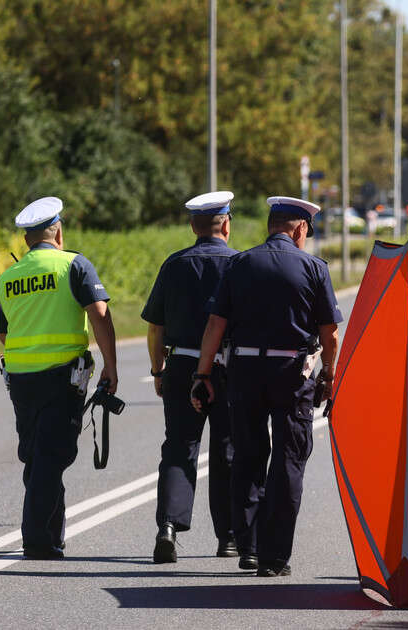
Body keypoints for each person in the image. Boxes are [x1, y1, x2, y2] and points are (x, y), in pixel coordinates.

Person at [191, 196, 342, 578]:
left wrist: (202, 375)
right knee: (289, 459)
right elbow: (330, 333)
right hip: (292, 374)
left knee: (248, 455)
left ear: (271, 226)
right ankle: (276, 557)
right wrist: (329, 373)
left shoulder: (239, 263)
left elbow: (215, 326)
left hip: (243, 370)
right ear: (300, 229)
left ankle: (250, 548)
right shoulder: (313, 267)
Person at [0, 197, 118, 560]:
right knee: (53, 454)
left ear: (27, 239)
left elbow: (5, 333)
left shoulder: (8, 277)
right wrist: (111, 366)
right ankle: (35, 537)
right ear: (58, 231)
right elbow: (99, 313)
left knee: (37, 455)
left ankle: (52, 535)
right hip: (62, 377)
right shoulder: (73, 265)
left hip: (20, 379)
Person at [142, 191, 240, 563]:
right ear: (226, 224)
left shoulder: (175, 264)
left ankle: (168, 527)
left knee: (179, 447)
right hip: (228, 367)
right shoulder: (239, 264)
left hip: (182, 366)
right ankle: (228, 537)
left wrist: (157, 370)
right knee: (227, 449)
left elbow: (156, 328)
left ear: (192, 226)